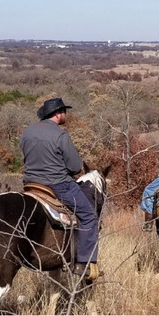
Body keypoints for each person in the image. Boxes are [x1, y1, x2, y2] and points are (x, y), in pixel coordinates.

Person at [19, 97, 99, 280]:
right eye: (64, 111)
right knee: (88, 215)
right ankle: (84, 263)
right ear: (58, 114)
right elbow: (75, 166)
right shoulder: (60, 135)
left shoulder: (27, 132)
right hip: (57, 184)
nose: (65, 115)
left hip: (30, 184)